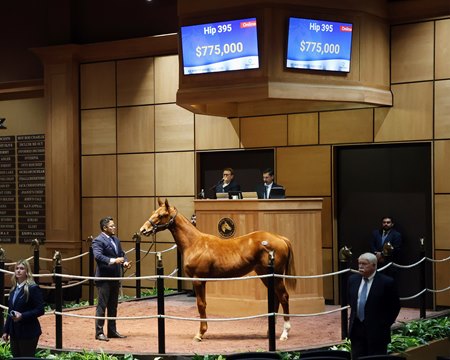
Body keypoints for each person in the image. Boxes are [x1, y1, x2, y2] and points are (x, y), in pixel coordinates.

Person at [347, 252, 400, 359]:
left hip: (377, 332)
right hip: (357, 330)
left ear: (374, 265)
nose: (360, 266)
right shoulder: (352, 280)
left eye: (364, 264)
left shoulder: (386, 282)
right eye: (359, 263)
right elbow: (350, 300)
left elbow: (394, 307)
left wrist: (384, 325)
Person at [92, 216, 132, 341]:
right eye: (111, 226)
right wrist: (114, 261)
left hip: (115, 278)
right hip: (104, 279)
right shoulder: (98, 241)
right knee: (102, 306)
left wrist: (124, 262)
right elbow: (98, 256)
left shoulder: (116, 240)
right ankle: (99, 333)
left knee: (113, 306)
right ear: (105, 228)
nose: (114, 228)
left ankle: (112, 331)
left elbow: (121, 254)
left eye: (114, 225)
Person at [2, 259, 45, 358]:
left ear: (27, 272)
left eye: (22, 268)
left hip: (28, 332)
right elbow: (10, 311)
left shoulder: (33, 288)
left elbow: (40, 309)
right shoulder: (13, 289)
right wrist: (6, 331)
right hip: (14, 332)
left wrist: (22, 316)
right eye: (17, 268)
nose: (18, 271)